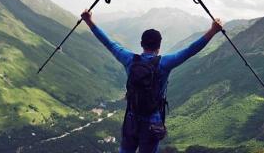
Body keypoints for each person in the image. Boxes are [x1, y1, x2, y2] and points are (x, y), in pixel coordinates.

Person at [80, 10, 223, 153]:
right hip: (152, 121)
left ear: (141, 44)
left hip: (131, 117)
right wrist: (213, 30)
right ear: (159, 46)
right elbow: (191, 50)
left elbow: (108, 43)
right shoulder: (164, 63)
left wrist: (88, 21)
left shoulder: (129, 59)